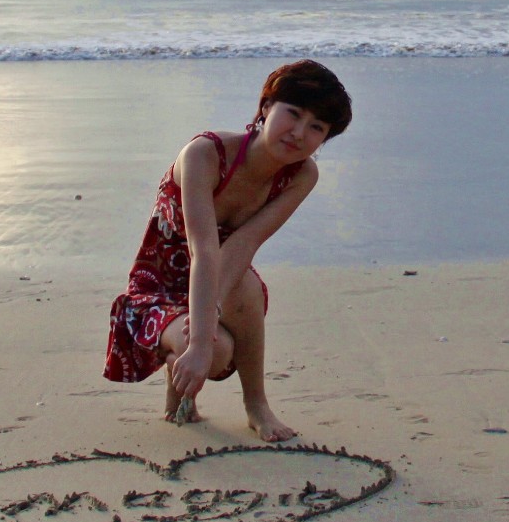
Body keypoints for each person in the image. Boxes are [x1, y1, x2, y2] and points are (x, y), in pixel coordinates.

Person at [104, 60, 352, 442]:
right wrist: (201, 339)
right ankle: (181, 372)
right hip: (159, 288)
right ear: (266, 107)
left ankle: (257, 406)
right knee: (214, 351)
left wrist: (209, 314)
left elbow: (243, 245)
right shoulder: (204, 154)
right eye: (294, 114)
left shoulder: (302, 176)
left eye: (316, 127)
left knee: (246, 287)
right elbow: (204, 250)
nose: (299, 133)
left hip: (223, 280)